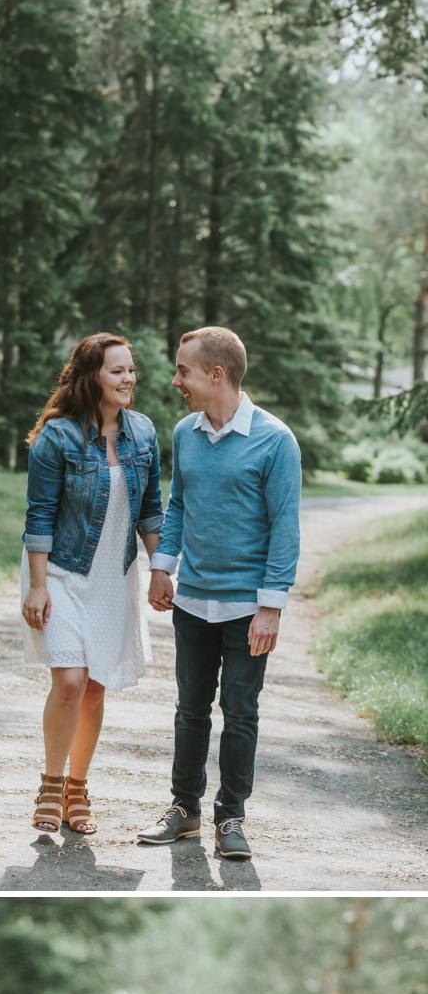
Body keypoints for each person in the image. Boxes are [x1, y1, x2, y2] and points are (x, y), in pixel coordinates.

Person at [137, 325, 302, 863]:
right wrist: (163, 568)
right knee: (190, 709)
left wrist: (271, 607)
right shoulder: (186, 432)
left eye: (183, 370)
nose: (175, 380)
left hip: (246, 608)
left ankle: (230, 815)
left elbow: (285, 528)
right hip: (192, 602)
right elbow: (178, 504)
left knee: (241, 710)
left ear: (217, 374)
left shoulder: (275, 440)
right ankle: (183, 810)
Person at [18, 332, 162, 842]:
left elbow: (150, 512)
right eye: (117, 371)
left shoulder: (143, 433)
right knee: (71, 683)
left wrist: (160, 567)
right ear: (93, 376)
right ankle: (51, 786)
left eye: (131, 370)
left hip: (113, 576)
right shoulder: (58, 438)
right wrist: (38, 587)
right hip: (60, 570)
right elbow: (38, 515)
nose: (128, 379)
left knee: (97, 686)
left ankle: (78, 788)